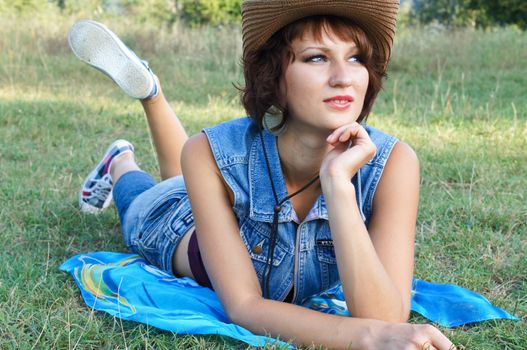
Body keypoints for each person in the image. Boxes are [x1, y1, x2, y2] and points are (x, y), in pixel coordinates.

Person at [69, 1, 455, 349]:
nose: (344, 77)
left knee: (186, 173)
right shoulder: (209, 152)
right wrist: (367, 338)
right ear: (274, 75)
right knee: (151, 196)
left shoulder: (395, 163)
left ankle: (152, 92)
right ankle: (120, 161)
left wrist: (338, 186)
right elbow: (246, 307)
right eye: (317, 58)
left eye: (355, 59)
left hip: (212, 190)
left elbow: (387, 318)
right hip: (177, 226)